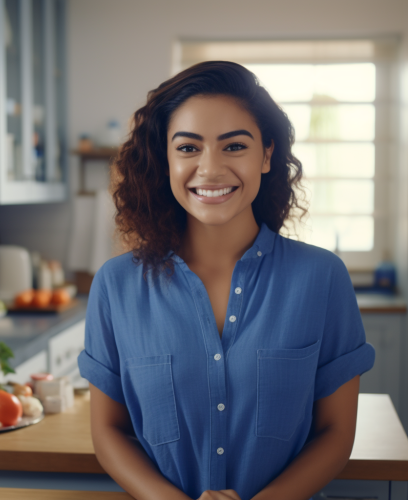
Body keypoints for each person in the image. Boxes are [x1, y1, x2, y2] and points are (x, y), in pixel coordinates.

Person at [77, 61, 375, 500]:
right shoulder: (115, 286)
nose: (210, 169)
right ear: (165, 159)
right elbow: (109, 432)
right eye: (188, 148)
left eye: (234, 146)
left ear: (267, 154)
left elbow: (334, 432)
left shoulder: (322, 278)